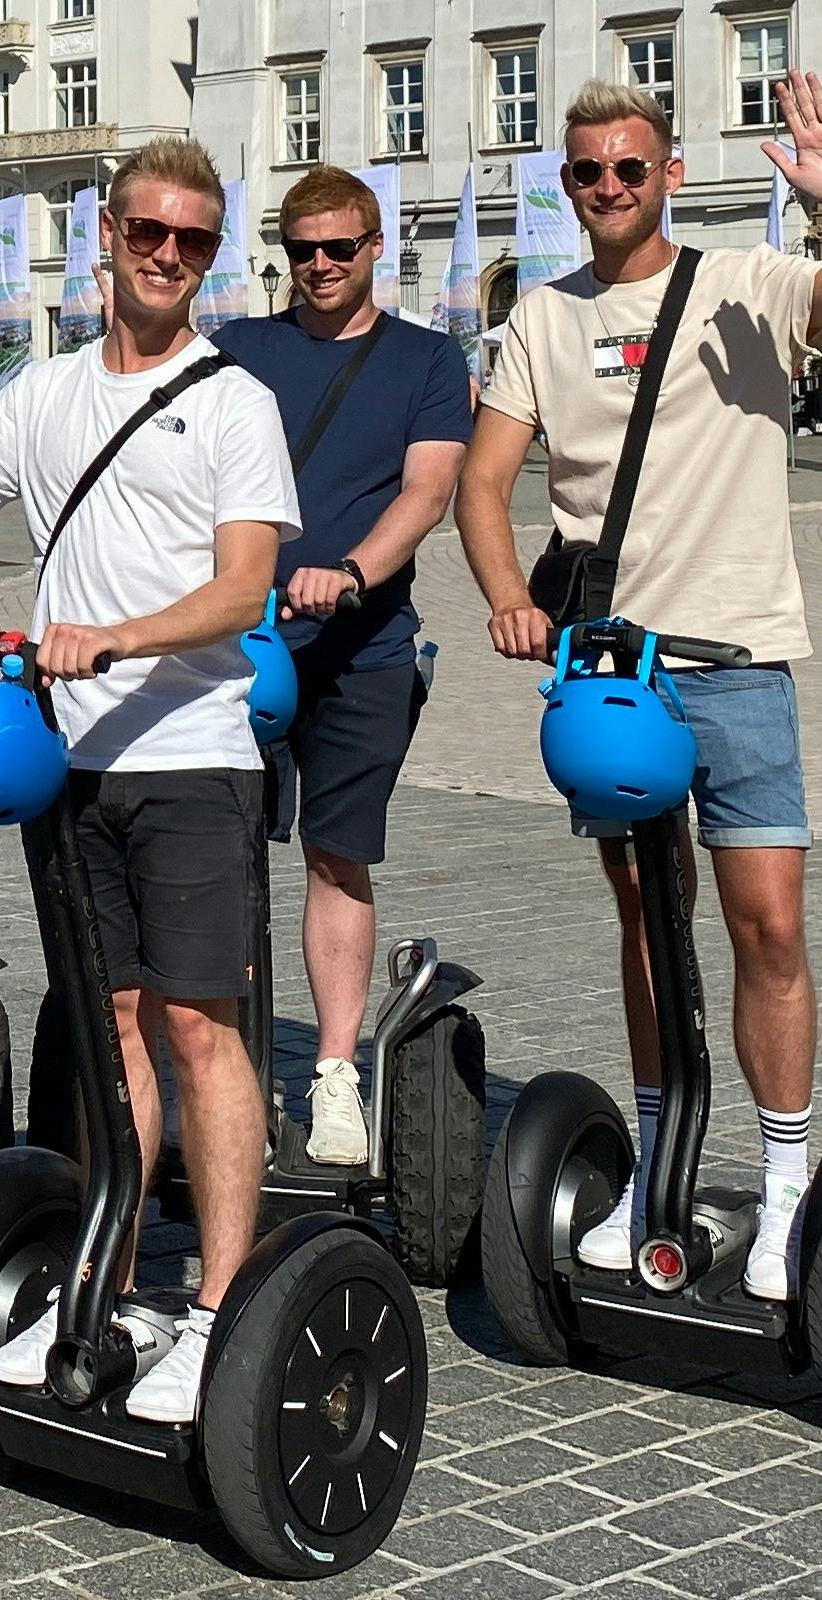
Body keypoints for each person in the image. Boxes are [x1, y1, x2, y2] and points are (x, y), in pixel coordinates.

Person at [452, 74, 822, 1306]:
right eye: (586, 171)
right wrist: (508, 594)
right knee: (646, 923)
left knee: (765, 925)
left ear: (668, 174)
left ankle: (783, 1189)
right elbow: (481, 481)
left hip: (737, 659)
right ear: (566, 184)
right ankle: (661, 1162)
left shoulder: (747, 285)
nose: (607, 187)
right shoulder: (543, 322)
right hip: (610, 672)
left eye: (628, 167)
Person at [0, 134, 295, 1428]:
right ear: (108, 237)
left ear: (209, 258)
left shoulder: (234, 400)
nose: (168, 256)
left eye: (193, 241)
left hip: (191, 755)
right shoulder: (48, 392)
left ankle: (223, 1307)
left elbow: (247, 586)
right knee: (107, 1024)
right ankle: (109, 1288)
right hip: (75, 762)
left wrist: (115, 637)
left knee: (199, 1029)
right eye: (148, 233)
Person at [210, 166, 474, 1168]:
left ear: (375, 247)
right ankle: (219, 1060)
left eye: (340, 247)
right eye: (303, 249)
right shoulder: (239, 349)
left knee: (335, 852)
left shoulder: (424, 360)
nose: (320, 266)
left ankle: (331, 1073)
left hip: (359, 643)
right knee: (218, 855)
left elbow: (429, 489)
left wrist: (351, 571)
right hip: (237, 640)